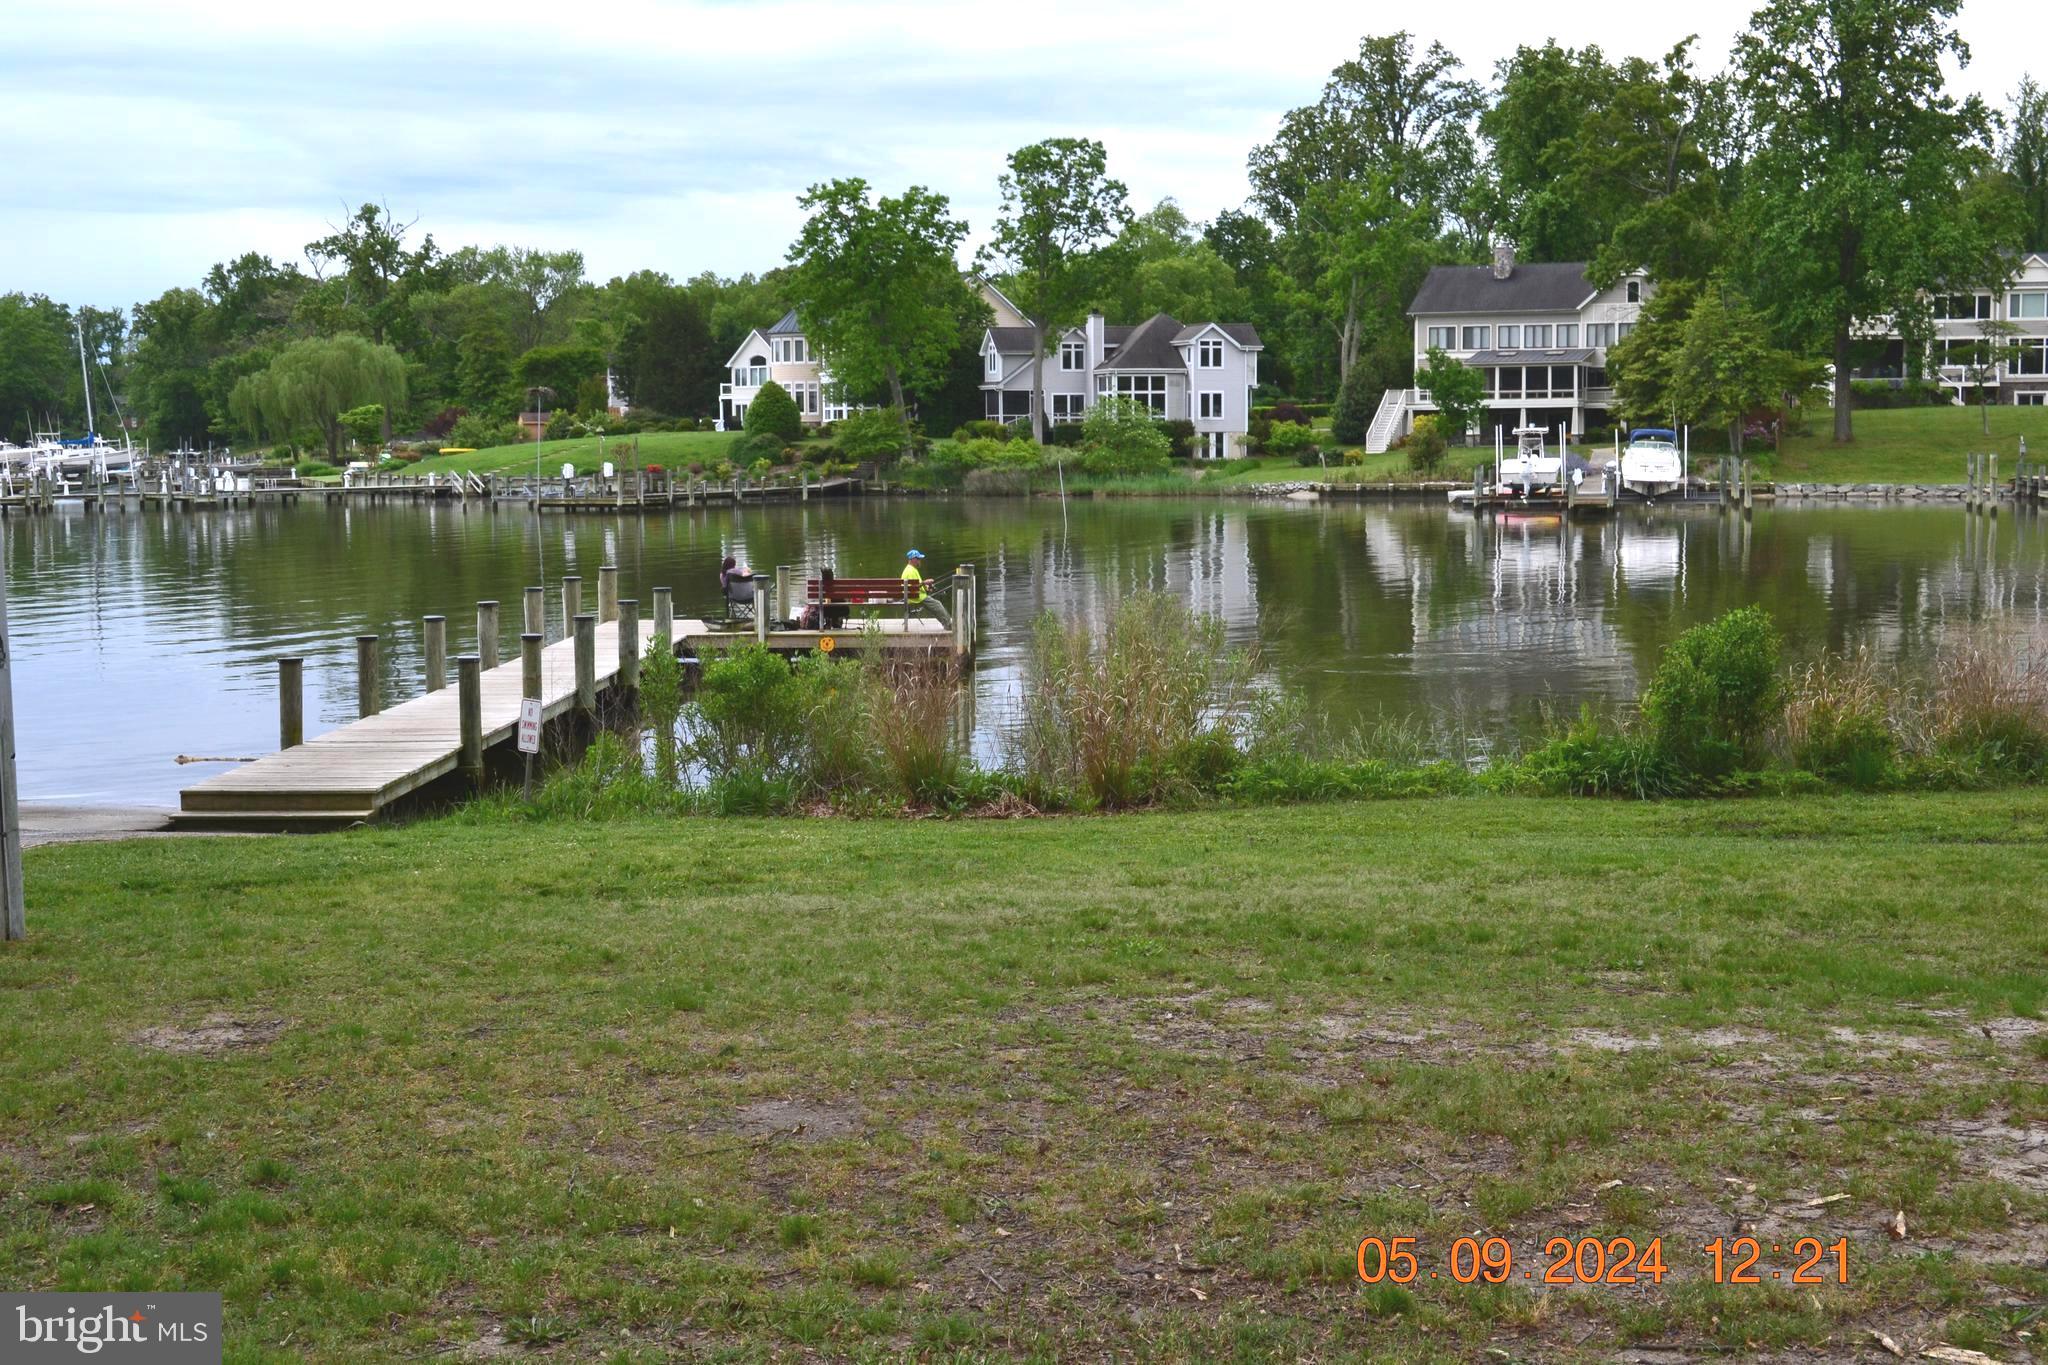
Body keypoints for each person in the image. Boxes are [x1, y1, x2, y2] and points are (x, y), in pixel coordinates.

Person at [900, 549, 951, 627]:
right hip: (915, 597)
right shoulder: (910, 571)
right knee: (937, 605)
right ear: (913, 559)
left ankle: (946, 624)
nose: (920, 561)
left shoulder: (911, 569)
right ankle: (949, 625)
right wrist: (925, 582)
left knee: (935, 605)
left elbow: (916, 585)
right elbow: (914, 587)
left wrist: (926, 587)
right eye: (918, 559)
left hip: (914, 595)